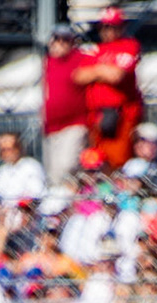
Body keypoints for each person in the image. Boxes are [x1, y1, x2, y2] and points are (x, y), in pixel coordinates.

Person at [77, 7, 141, 171]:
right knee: (96, 161)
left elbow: (117, 76)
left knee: (119, 161)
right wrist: (104, 70)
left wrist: (95, 71)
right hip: (96, 115)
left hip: (120, 114)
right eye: (104, 26)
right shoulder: (93, 49)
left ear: (122, 27)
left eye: (113, 26)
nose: (108, 31)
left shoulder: (129, 45)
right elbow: (78, 76)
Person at [41, 23, 92, 189]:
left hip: (74, 123)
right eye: (56, 39)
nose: (59, 43)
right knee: (54, 175)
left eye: (65, 40)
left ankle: (72, 205)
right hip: (51, 127)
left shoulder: (79, 58)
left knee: (67, 166)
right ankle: (60, 210)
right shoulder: (47, 62)